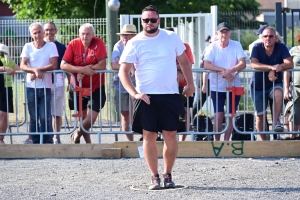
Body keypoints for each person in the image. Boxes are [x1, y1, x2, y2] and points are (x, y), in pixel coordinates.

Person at [118, 5, 195, 190]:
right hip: (147, 96)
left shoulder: (171, 38)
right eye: (146, 20)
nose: (150, 23)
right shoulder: (134, 42)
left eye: (153, 19)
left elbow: (184, 61)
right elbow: (123, 71)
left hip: (170, 94)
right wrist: (134, 93)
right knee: (149, 136)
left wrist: (190, 84)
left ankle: (168, 175)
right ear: (141, 21)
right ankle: (154, 176)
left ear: (159, 20)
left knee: (171, 135)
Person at [61, 23, 107, 144]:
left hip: (96, 86)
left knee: (90, 118)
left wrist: (85, 71)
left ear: (93, 35)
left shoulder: (98, 43)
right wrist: (81, 70)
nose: (85, 36)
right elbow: (63, 65)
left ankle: (76, 133)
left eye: (88, 34)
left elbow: (102, 65)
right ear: (79, 34)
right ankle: (87, 144)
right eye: (83, 34)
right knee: (81, 116)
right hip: (77, 86)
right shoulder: (73, 44)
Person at [203, 22, 246, 141]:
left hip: (234, 86)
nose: (224, 34)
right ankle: (217, 142)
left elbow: (242, 63)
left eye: (226, 31)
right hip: (217, 87)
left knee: (231, 115)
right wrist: (223, 71)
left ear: (230, 33)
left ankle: (226, 141)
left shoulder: (236, 45)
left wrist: (230, 71)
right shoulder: (212, 46)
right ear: (217, 33)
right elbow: (206, 64)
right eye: (222, 32)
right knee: (218, 115)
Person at [250, 26, 293, 141]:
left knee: (278, 93)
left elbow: (290, 63)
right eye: (265, 36)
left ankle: (275, 124)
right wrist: (271, 67)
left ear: (276, 37)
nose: (268, 38)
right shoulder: (256, 47)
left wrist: (274, 69)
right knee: (260, 116)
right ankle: (264, 143)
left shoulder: (281, 47)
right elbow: (253, 64)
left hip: (274, 84)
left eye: (270, 36)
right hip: (258, 86)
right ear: (261, 38)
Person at [20, 22, 58, 144]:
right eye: (34, 33)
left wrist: (38, 70)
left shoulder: (51, 46)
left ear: (43, 32)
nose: (37, 35)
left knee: (45, 116)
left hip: (46, 86)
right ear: (31, 35)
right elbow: (23, 65)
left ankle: (47, 141)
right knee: (33, 117)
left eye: (39, 32)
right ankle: (36, 142)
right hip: (31, 87)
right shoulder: (27, 46)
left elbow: (54, 64)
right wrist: (35, 70)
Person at [164, 27, 195, 141]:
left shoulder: (185, 46)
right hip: (167, 86)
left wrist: (176, 69)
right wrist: (177, 70)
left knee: (185, 111)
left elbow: (188, 64)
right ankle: (167, 137)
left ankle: (183, 139)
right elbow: (161, 65)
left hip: (184, 85)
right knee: (167, 112)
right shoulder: (161, 47)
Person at [112, 24, 137, 141]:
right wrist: (131, 67)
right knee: (125, 114)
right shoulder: (118, 46)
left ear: (134, 35)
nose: (124, 37)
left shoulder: (139, 44)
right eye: (123, 34)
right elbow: (113, 64)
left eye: (127, 35)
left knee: (140, 112)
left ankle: (144, 139)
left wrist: (123, 64)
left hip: (138, 85)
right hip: (120, 85)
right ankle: (129, 141)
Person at [44, 22, 66, 144]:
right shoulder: (40, 46)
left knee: (57, 111)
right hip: (43, 82)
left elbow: (66, 65)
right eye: (47, 30)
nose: (49, 33)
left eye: (51, 30)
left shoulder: (62, 47)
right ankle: (42, 137)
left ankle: (56, 136)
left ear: (56, 31)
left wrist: (71, 81)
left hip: (58, 81)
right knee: (43, 111)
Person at [0, 44, 20, 144]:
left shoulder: (9, 61)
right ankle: (1, 139)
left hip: (6, 88)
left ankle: (1, 139)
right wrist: (4, 68)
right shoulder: (9, 61)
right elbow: (20, 69)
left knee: (3, 114)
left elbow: (19, 69)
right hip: (6, 88)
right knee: (3, 114)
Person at [284, 32, 300, 140]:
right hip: (295, 87)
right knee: (294, 113)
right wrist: (286, 88)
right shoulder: (293, 50)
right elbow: (287, 70)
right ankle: (292, 138)